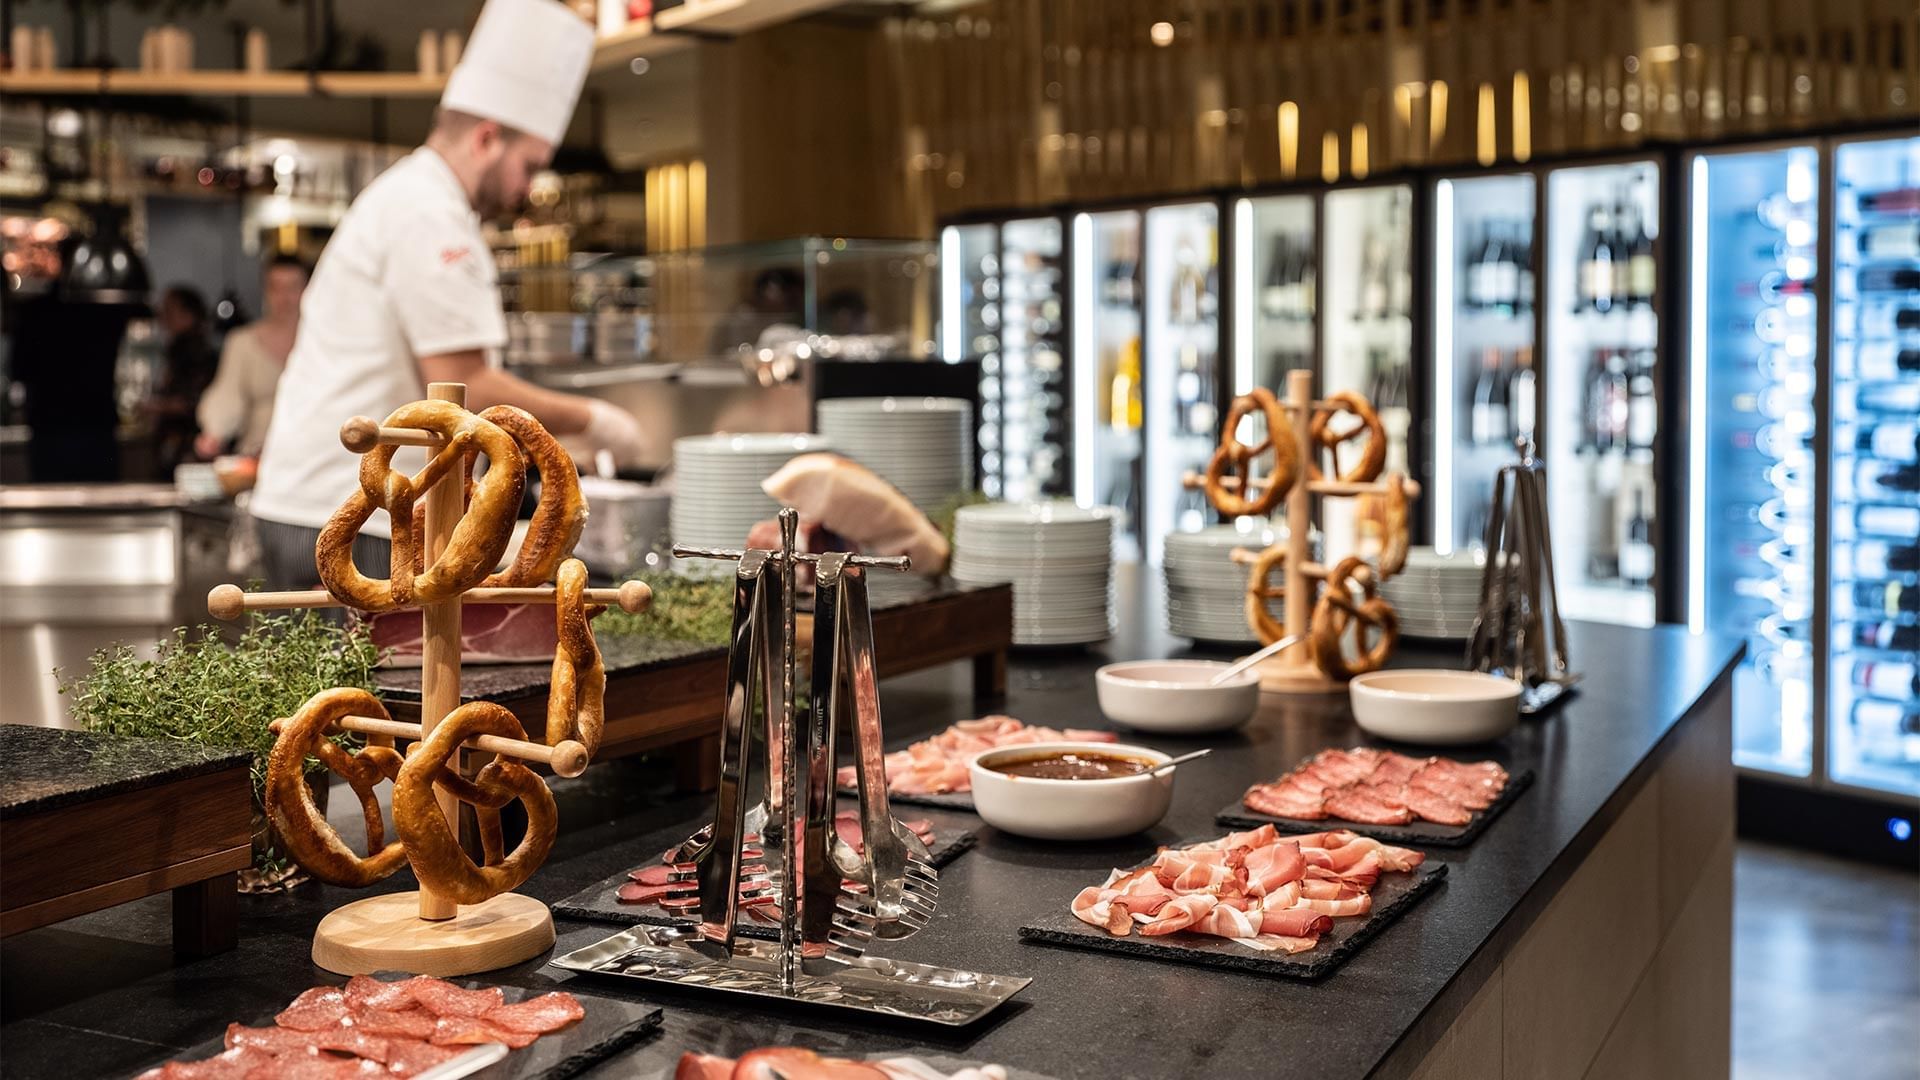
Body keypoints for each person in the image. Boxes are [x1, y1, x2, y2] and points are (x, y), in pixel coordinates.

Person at [249, 0, 644, 590]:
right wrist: (599, 422)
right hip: (352, 514)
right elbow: (464, 381)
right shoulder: (429, 213)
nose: (528, 188)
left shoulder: (413, 196)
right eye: (529, 165)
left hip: (329, 502)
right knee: (362, 686)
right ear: (487, 138)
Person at [195, 254, 308, 459]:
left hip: (311, 457)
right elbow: (227, 394)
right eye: (276, 288)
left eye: (292, 287)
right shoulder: (242, 341)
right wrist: (214, 434)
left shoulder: (322, 342)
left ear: (307, 290)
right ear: (265, 291)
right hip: (256, 457)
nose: (285, 297)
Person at [148, 284, 219, 474]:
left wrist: (155, 406)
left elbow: (193, 401)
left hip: (188, 445)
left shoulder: (193, 351)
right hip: (180, 446)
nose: (163, 316)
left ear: (190, 315)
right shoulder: (179, 349)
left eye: (170, 310)